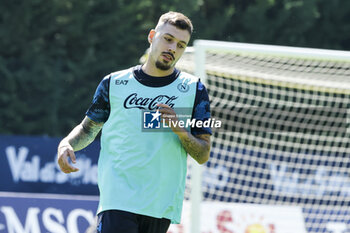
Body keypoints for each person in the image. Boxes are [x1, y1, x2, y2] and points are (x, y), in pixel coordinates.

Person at [57, 11, 211, 233]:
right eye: (168, 39)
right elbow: (88, 129)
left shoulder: (194, 89)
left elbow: (203, 153)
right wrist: (67, 144)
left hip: (160, 205)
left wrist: (182, 133)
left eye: (180, 45)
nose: (172, 49)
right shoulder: (114, 83)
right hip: (118, 200)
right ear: (151, 36)